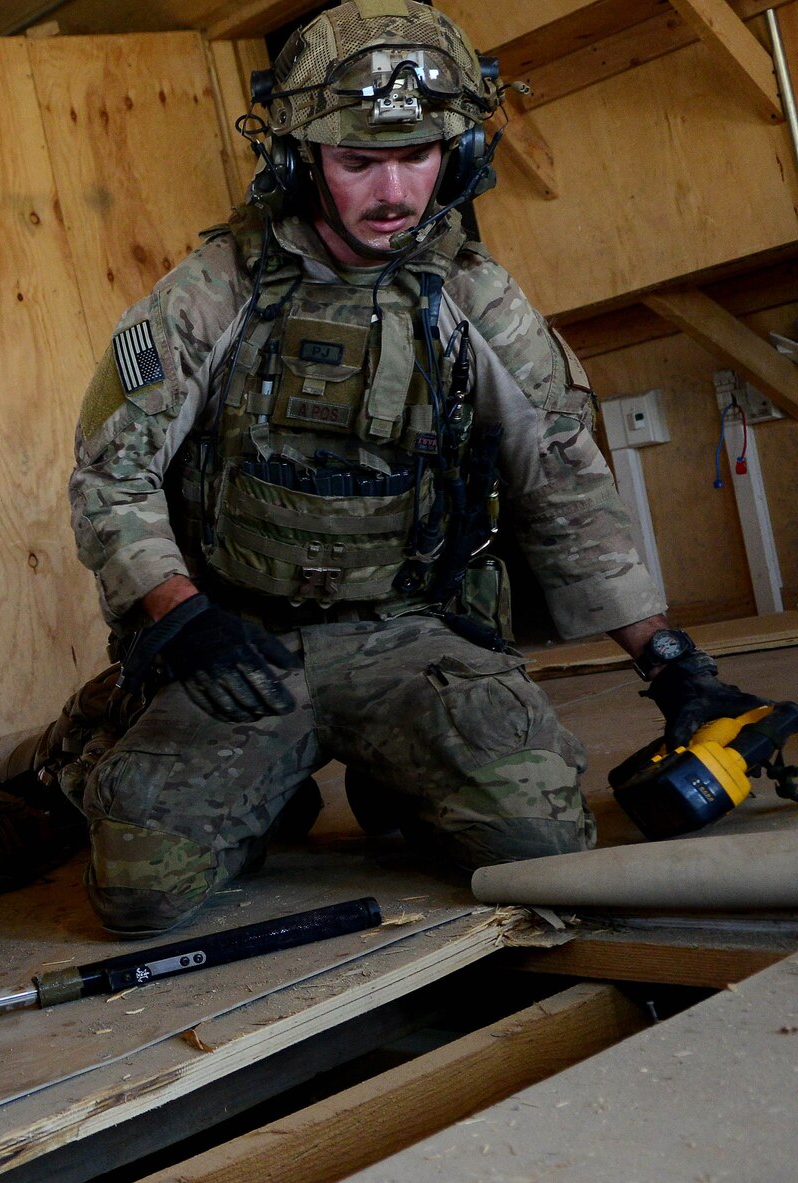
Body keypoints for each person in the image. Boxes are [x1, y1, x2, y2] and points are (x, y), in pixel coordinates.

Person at [37, 0, 766, 937]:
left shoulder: (473, 297)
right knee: (140, 891)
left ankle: (395, 771)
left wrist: (673, 667)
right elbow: (113, 475)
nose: (394, 189)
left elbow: (565, 484)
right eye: (358, 161)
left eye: (418, 156)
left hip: (411, 635)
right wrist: (182, 618)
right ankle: (118, 740)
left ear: (456, 157)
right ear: (303, 162)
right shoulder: (214, 292)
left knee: (546, 853)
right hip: (245, 645)